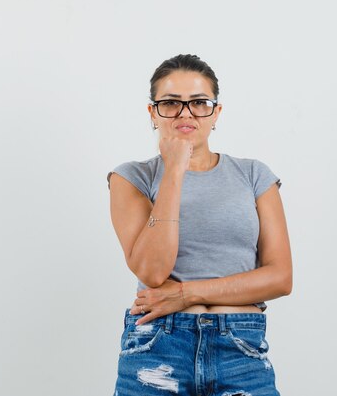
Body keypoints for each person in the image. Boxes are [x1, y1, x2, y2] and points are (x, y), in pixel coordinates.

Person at [107, 54, 292, 396]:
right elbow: (152, 270)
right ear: (153, 112)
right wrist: (175, 169)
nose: (185, 113)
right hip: (158, 347)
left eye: (199, 102)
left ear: (216, 112)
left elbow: (280, 278)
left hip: (241, 347)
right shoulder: (131, 177)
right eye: (171, 103)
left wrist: (186, 293)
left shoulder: (254, 175)